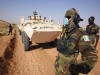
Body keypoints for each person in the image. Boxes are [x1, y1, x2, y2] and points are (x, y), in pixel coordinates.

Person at [55, 8, 98, 75]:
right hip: (58, 70)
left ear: (74, 19)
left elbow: (92, 58)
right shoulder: (65, 31)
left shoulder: (81, 34)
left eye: (68, 17)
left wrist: (77, 68)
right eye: (65, 17)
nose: (65, 19)